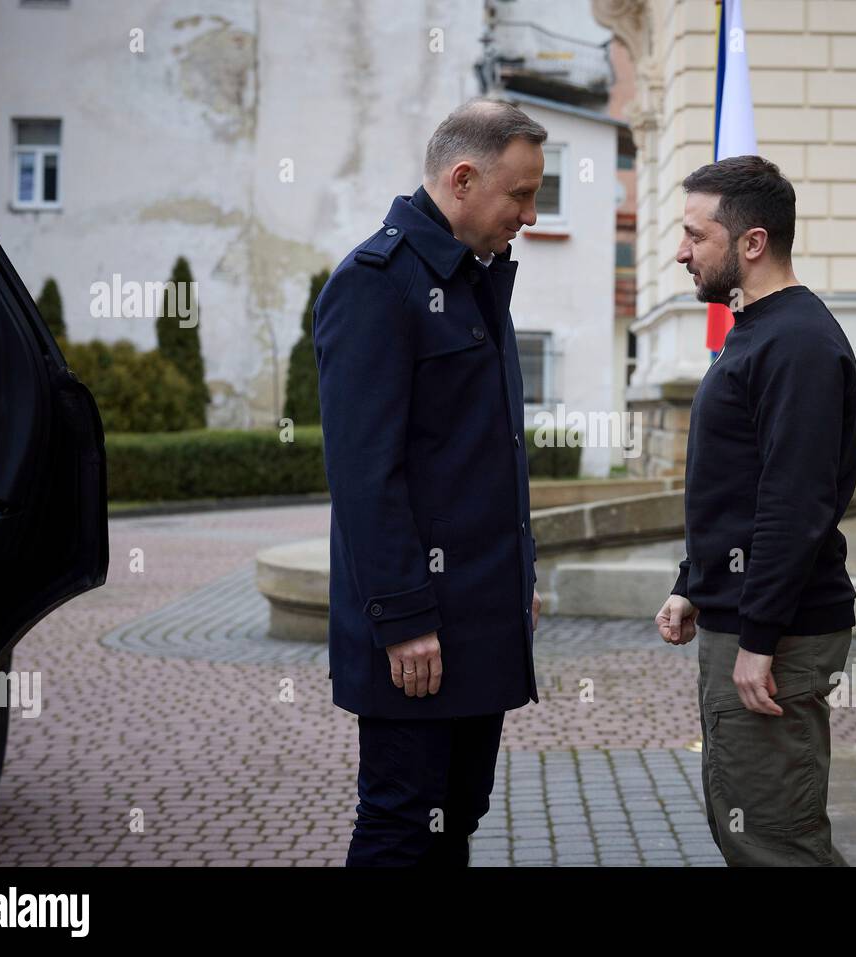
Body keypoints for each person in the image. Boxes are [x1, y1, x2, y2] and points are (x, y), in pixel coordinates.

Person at [313, 98, 547, 866]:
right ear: (463, 177)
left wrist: (521, 576)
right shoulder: (377, 283)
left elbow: (483, 456)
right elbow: (365, 474)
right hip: (418, 628)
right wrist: (404, 615)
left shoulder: (473, 277)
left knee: (458, 815)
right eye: (520, 194)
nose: (531, 213)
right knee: (400, 824)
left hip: (477, 613)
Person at [654, 155, 856, 867]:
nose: (681, 251)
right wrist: (696, 581)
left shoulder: (798, 341)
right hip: (741, 616)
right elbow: (736, 482)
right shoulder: (756, 328)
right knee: (745, 829)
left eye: (694, 235)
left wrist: (759, 635)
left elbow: (794, 503)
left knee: (776, 843)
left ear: (751, 242)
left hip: (775, 634)